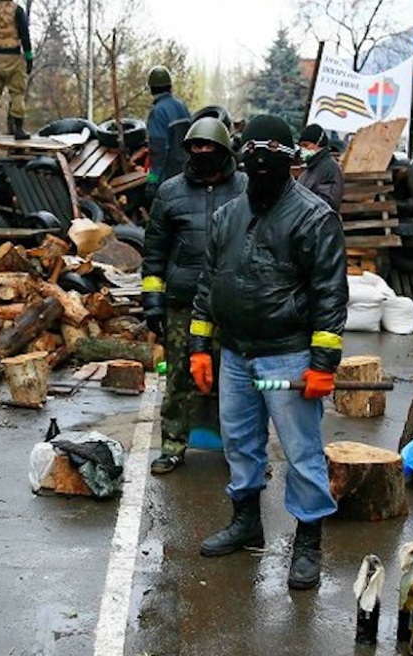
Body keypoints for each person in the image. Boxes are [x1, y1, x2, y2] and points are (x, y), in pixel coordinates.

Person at [189, 114, 348, 590]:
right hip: (236, 356)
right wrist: (200, 347)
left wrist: (323, 363)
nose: (261, 160)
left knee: (302, 453)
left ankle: (308, 541)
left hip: (288, 356)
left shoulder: (315, 218)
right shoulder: (227, 217)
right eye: (252, 150)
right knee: (239, 444)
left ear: (292, 158)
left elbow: (330, 295)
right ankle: (246, 522)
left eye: (272, 151)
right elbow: (207, 286)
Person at [142, 117, 248, 475]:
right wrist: (153, 300)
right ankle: (172, 445)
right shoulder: (170, 192)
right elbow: (154, 252)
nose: (202, 152)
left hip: (233, 304)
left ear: (224, 150)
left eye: (209, 146)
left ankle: (243, 452)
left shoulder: (246, 188)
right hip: (183, 303)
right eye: (196, 146)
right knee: (179, 378)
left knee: (238, 381)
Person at [0, 0, 33, 140]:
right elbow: (24, 34)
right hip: (13, 57)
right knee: (17, 93)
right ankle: (18, 130)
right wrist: (28, 56)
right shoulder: (17, 10)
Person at [145, 66, 191, 202]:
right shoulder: (182, 106)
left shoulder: (158, 112)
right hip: (188, 173)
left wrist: (152, 180)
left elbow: (158, 151)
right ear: (170, 86)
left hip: (168, 179)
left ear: (151, 88)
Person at [296, 123, 345, 211]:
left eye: (306, 145)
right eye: (301, 146)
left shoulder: (330, 168)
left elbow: (327, 203)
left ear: (318, 143)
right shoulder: (310, 168)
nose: (302, 149)